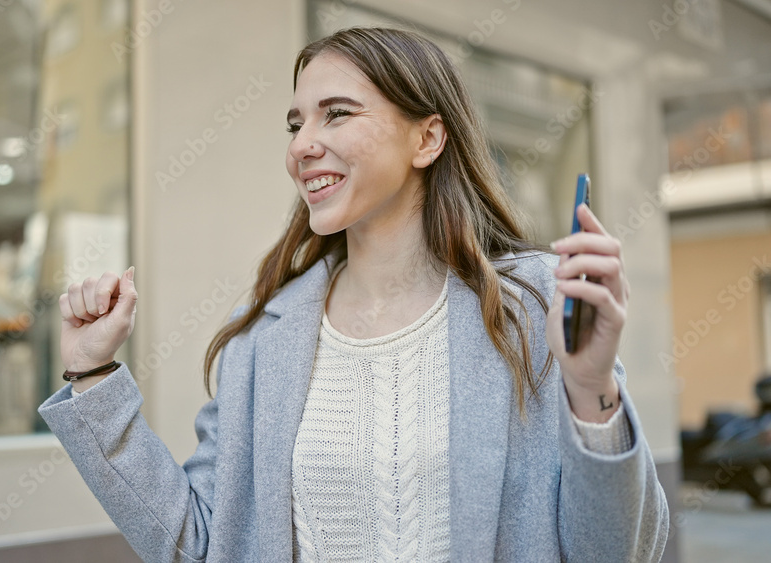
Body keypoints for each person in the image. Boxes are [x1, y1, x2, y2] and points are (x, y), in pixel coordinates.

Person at [38, 26, 669, 562]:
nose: (301, 145)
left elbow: (618, 551)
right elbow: (197, 544)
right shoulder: (264, 335)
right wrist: (92, 374)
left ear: (428, 138)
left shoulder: (530, 308)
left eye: (336, 113)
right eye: (295, 122)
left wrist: (591, 390)